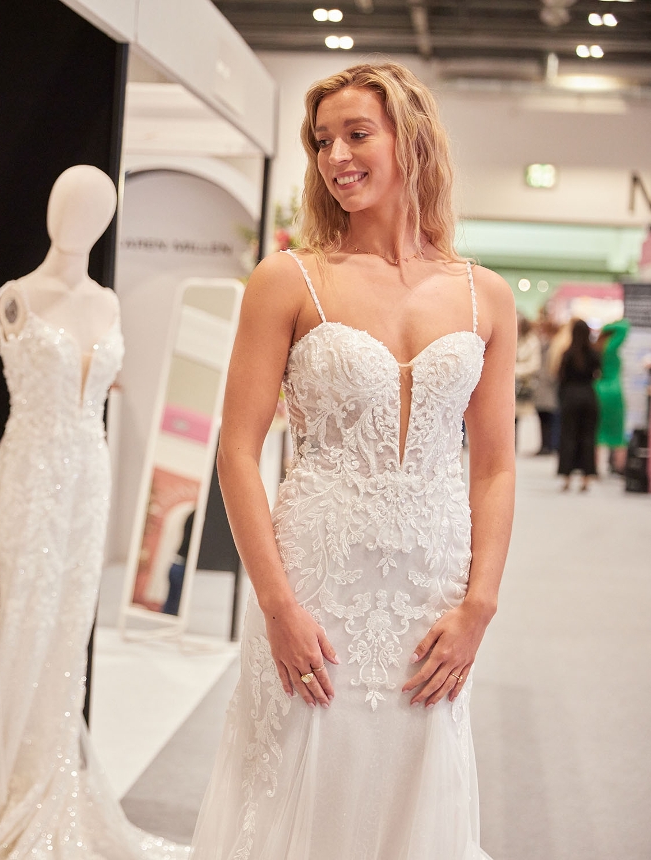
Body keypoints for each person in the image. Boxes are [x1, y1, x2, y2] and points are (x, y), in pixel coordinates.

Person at [192, 61, 516, 860]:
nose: (335, 156)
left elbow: (494, 466)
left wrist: (480, 604)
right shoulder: (288, 280)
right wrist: (276, 605)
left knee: (416, 778)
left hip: (431, 589)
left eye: (356, 134)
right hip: (315, 580)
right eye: (321, 141)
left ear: (412, 140)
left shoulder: (485, 296)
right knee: (297, 773)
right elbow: (238, 449)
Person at [556, 319, 600, 491]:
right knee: (588, 437)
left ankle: (566, 477)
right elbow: (598, 374)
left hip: (570, 398)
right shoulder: (594, 354)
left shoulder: (567, 354)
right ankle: (586, 478)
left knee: (568, 436)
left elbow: (561, 378)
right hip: (589, 397)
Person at [595, 318, 630, 476]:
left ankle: (595, 467)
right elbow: (625, 326)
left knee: (598, 432)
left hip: (599, 388)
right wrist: (608, 326)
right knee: (618, 432)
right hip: (614, 390)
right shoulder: (611, 346)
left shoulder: (599, 346)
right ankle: (620, 467)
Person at [532, 315, 560, 456]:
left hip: (548, 388)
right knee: (544, 418)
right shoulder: (545, 345)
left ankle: (550, 445)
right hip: (543, 389)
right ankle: (545, 445)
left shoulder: (553, 346)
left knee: (549, 419)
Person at [514, 314, 541, 451]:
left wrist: (515, 370)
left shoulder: (532, 341)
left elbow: (534, 364)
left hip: (522, 385)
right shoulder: (511, 337)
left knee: (517, 417)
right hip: (508, 383)